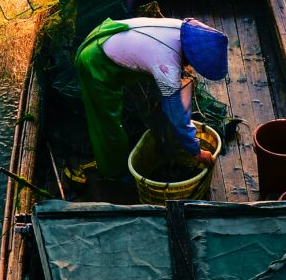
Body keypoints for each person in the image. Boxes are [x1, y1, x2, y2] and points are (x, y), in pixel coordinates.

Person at [74, 16, 229, 179]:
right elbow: (176, 114)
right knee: (107, 124)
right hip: (95, 60)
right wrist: (196, 151)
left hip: (109, 33)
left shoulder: (180, 29)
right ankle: (114, 173)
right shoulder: (167, 60)